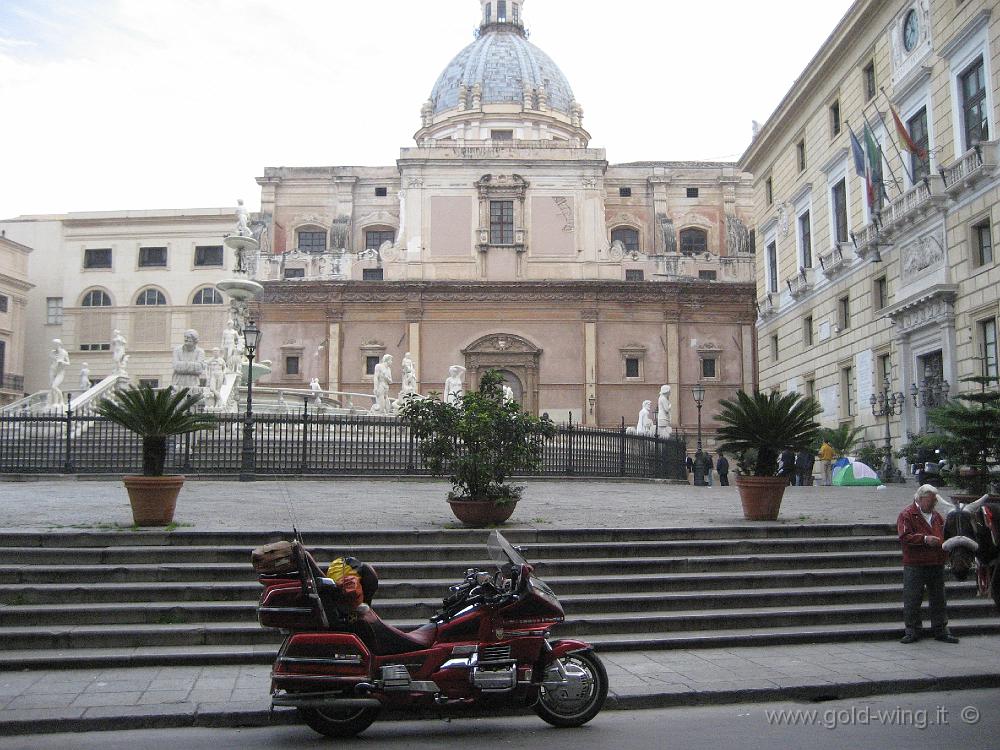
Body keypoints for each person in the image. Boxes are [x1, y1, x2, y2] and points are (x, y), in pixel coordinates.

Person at [897, 485, 959, 644]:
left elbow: (946, 535)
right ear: (920, 498)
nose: (933, 505)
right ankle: (912, 630)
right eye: (931, 501)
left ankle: (940, 629)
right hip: (915, 563)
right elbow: (905, 536)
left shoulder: (937, 517)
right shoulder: (907, 515)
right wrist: (924, 539)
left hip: (936, 562)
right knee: (912, 597)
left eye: (934, 502)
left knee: (939, 598)